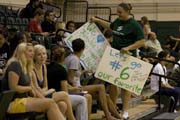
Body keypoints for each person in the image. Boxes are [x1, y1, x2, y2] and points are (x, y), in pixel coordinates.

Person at [91, 2, 145, 119]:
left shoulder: (135, 25)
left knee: (125, 86)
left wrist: (128, 48)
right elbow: (110, 26)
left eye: (120, 12)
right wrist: (97, 20)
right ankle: (113, 109)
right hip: (114, 56)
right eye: (117, 12)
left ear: (127, 12)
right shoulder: (118, 21)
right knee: (112, 84)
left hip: (128, 57)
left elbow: (141, 41)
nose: (118, 14)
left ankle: (125, 111)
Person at [1, 42, 65, 120]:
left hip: (23, 99)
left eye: (33, 51)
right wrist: (29, 88)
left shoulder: (26, 66)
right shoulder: (15, 65)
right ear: (22, 52)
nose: (32, 53)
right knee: (50, 103)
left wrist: (42, 98)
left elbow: (33, 89)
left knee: (57, 103)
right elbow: (13, 88)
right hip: (12, 103)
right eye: (30, 51)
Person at [65, 38, 122, 120]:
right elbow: (70, 78)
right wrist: (75, 88)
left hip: (76, 87)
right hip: (75, 89)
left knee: (105, 96)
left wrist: (84, 71)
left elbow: (74, 75)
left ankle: (117, 116)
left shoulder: (70, 57)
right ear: (83, 48)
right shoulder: (74, 60)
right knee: (101, 87)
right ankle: (108, 116)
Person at [32, 44, 76, 120]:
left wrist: (46, 91)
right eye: (39, 54)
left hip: (44, 94)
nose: (42, 56)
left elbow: (45, 86)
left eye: (44, 54)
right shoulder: (32, 69)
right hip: (36, 98)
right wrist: (51, 90)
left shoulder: (43, 67)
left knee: (62, 105)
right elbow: (36, 91)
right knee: (64, 95)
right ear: (34, 56)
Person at [47, 45, 89, 120]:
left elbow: (64, 83)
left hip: (51, 94)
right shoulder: (62, 70)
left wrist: (73, 88)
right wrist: (74, 90)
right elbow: (65, 91)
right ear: (63, 57)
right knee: (82, 100)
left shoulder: (48, 67)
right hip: (59, 95)